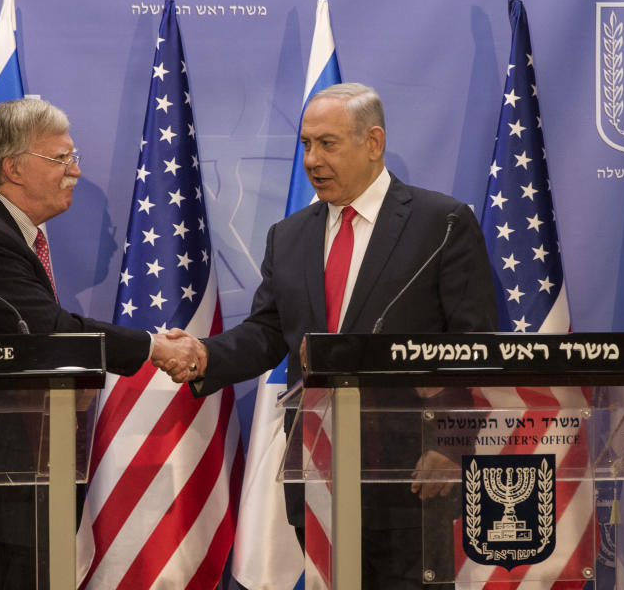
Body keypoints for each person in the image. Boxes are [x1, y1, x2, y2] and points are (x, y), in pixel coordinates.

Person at [166, 83, 497, 588]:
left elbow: (475, 346)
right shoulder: (291, 234)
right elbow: (268, 330)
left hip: (413, 474)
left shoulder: (442, 223)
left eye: (327, 143)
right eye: (305, 145)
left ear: (374, 142)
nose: (312, 160)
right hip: (317, 470)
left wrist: (451, 446)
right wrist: (203, 356)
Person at [0, 98, 196, 588]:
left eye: (74, 157)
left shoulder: (8, 233)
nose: (74, 171)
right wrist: (153, 347)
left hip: (12, 484)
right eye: (61, 158)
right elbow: (47, 332)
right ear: (13, 168)